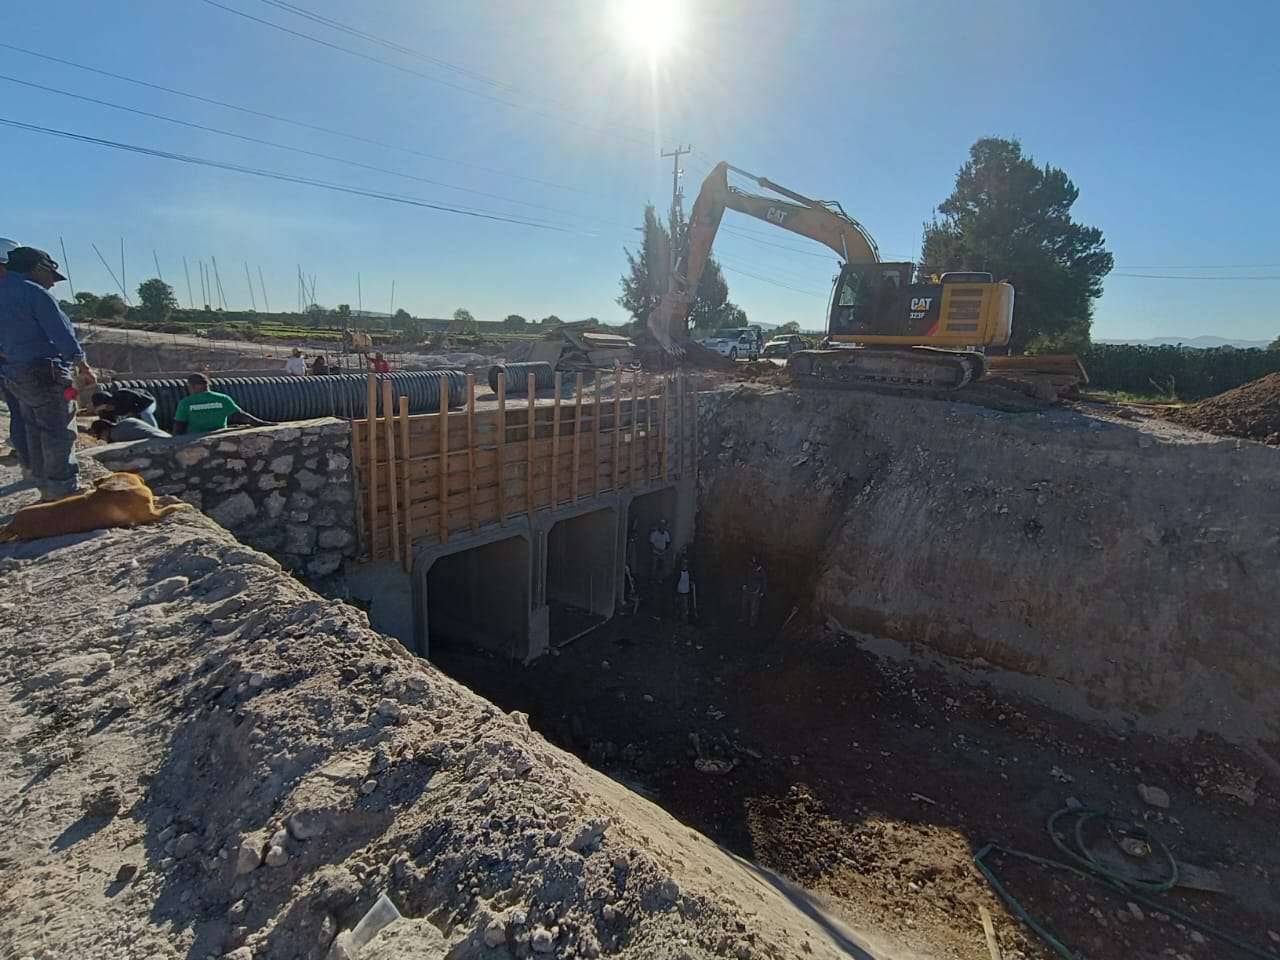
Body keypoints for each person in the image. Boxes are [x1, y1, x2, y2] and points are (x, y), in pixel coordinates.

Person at [0, 246, 95, 500]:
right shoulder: (35, 293)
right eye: (51, 277)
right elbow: (61, 334)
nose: (53, 284)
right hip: (45, 371)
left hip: (14, 372)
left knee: (33, 429)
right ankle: (63, 491)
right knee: (57, 431)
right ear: (38, 268)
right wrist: (82, 365)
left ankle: (44, 484)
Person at [0, 238, 31, 478]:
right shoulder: (22, 293)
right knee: (26, 414)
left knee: (20, 413)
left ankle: (30, 465)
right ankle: (36, 467)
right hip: (24, 365)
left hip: (13, 364)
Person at [173, 373, 275, 435]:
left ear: (193, 386)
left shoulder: (185, 403)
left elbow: (179, 426)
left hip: (194, 437)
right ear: (207, 384)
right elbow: (241, 416)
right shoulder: (222, 398)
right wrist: (262, 423)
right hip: (218, 435)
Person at [92, 386, 159, 428]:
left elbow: (149, 400)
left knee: (145, 413)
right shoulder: (110, 412)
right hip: (136, 409)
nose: (108, 408)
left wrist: (134, 411)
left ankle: (156, 431)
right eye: (105, 409)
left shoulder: (123, 395)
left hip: (149, 402)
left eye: (106, 406)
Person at [90, 417, 171, 443]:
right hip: (168, 437)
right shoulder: (128, 420)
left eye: (100, 436)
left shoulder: (116, 436)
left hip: (159, 442)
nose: (102, 439)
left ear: (105, 430)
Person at [741, 556, 768, 627]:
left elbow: (764, 581)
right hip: (747, 590)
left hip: (755, 592)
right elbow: (745, 576)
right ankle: (744, 619)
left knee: (754, 610)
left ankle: (752, 623)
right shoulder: (749, 567)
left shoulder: (761, 571)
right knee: (744, 606)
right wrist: (744, 584)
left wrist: (762, 592)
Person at [675, 555, 697, 622]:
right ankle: (677, 620)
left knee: (685, 607)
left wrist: (692, 584)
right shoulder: (678, 573)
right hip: (679, 593)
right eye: (683, 564)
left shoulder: (689, 573)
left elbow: (691, 581)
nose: (685, 565)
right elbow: (675, 582)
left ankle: (684, 620)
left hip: (686, 593)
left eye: (686, 564)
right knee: (678, 607)